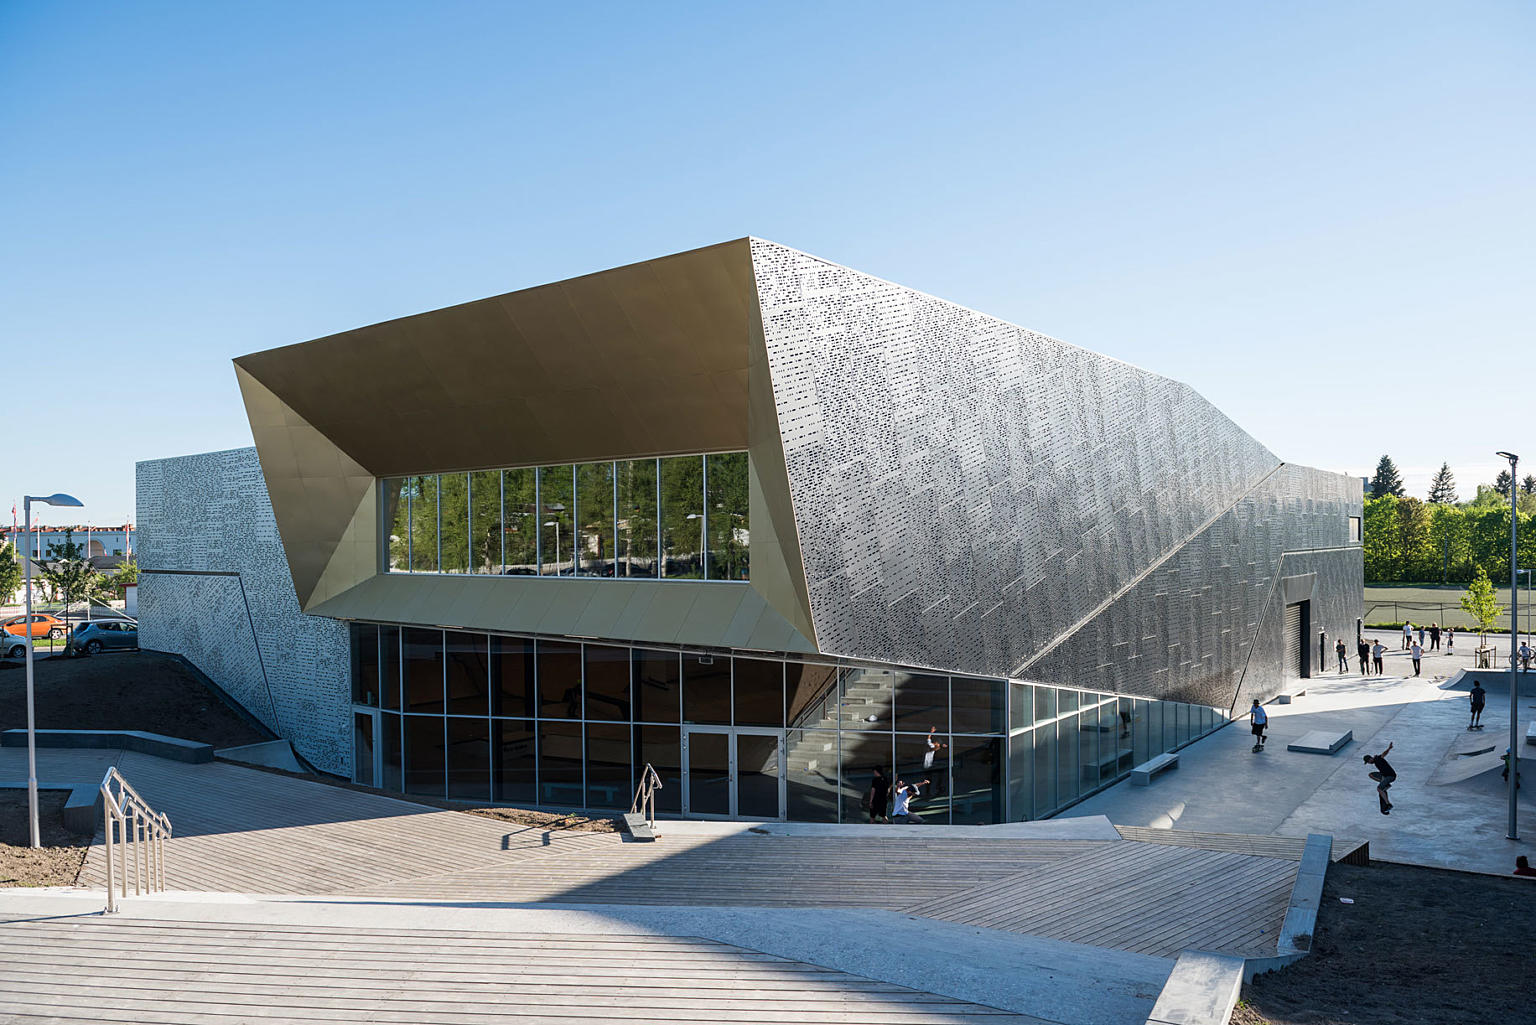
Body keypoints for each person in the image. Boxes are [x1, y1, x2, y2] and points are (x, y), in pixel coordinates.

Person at [1364, 741, 1396, 815]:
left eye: (1368, 762)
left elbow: (1383, 754)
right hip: (1385, 775)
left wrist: (1389, 748)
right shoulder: (1376, 760)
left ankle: (1388, 804)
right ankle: (1384, 783)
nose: (1369, 763)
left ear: (1370, 759)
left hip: (1390, 776)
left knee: (1379, 789)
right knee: (1371, 775)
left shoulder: (1378, 758)